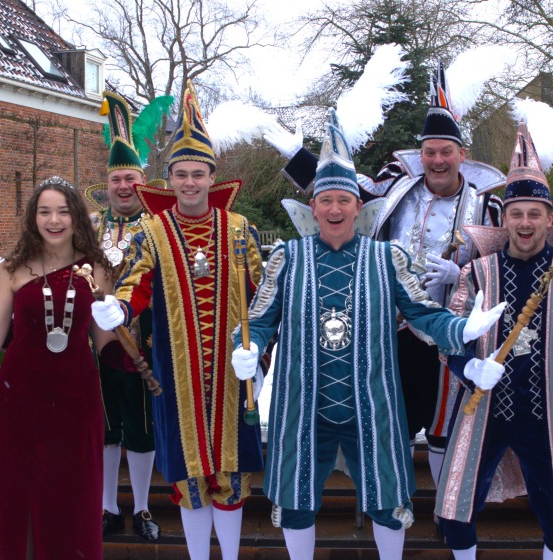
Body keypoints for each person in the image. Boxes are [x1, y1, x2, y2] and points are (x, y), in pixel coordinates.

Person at [231, 109, 505, 560]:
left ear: (358, 207)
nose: (335, 209)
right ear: (313, 206)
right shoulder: (287, 258)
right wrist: (249, 348)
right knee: (296, 504)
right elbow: (259, 321)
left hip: (373, 405)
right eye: (326, 200)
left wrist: (462, 328)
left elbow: (423, 314)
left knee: (388, 503)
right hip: (302, 405)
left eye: (344, 200)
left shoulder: (386, 259)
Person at [264, 61, 504, 485]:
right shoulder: (397, 183)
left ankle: (444, 510)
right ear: (421, 154)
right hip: (390, 327)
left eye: (446, 151)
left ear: (462, 155)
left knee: (444, 426)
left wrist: (463, 275)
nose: (437, 160)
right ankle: (393, 503)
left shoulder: (488, 206)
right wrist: (298, 157)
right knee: (390, 419)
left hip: (452, 331)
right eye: (430, 151)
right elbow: (342, 194)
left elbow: (504, 267)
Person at [91, 80, 264, 560]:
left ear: (212, 177)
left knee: (230, 475)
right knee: (189, 477)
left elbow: (264, 295)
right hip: (177, 376)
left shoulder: (239, 229)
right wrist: (120, 308)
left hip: (231, 375)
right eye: (181, 174)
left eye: (198, 174)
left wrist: (261, 351)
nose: (189, 182)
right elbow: (136, 284)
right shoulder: (152, 231)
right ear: (169, 179)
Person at [435, 123, 553, 560]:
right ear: (504, 219)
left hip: (545, 412)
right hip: (486, 408)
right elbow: (448, 337)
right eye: (517, 213)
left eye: (534, 214)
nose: (525, 223)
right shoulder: (478, 272)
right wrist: (468, 366)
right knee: (455, 509)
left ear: (549, 219)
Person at [0, 176, 115, 560]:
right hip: (18, 403)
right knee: (20, 498)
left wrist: (134, 360)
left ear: (76, 216)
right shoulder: (12, 270)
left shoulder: (97, 269)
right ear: (34, 217)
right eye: (45, 211)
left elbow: (107, 342)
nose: (54, 220)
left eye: (63, 211)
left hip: (76, 402)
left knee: (73, 500)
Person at [86, 90, 172, 541]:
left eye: (131, 178)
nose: (123, 186)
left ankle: (140, 507)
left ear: (143, 181)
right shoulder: (89, 225)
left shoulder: (160, 226)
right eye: (116, 178)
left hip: (145, 341)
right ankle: (107, 507)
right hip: (95, 346)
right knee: (105, 428)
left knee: (141, 427)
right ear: (108, 182)